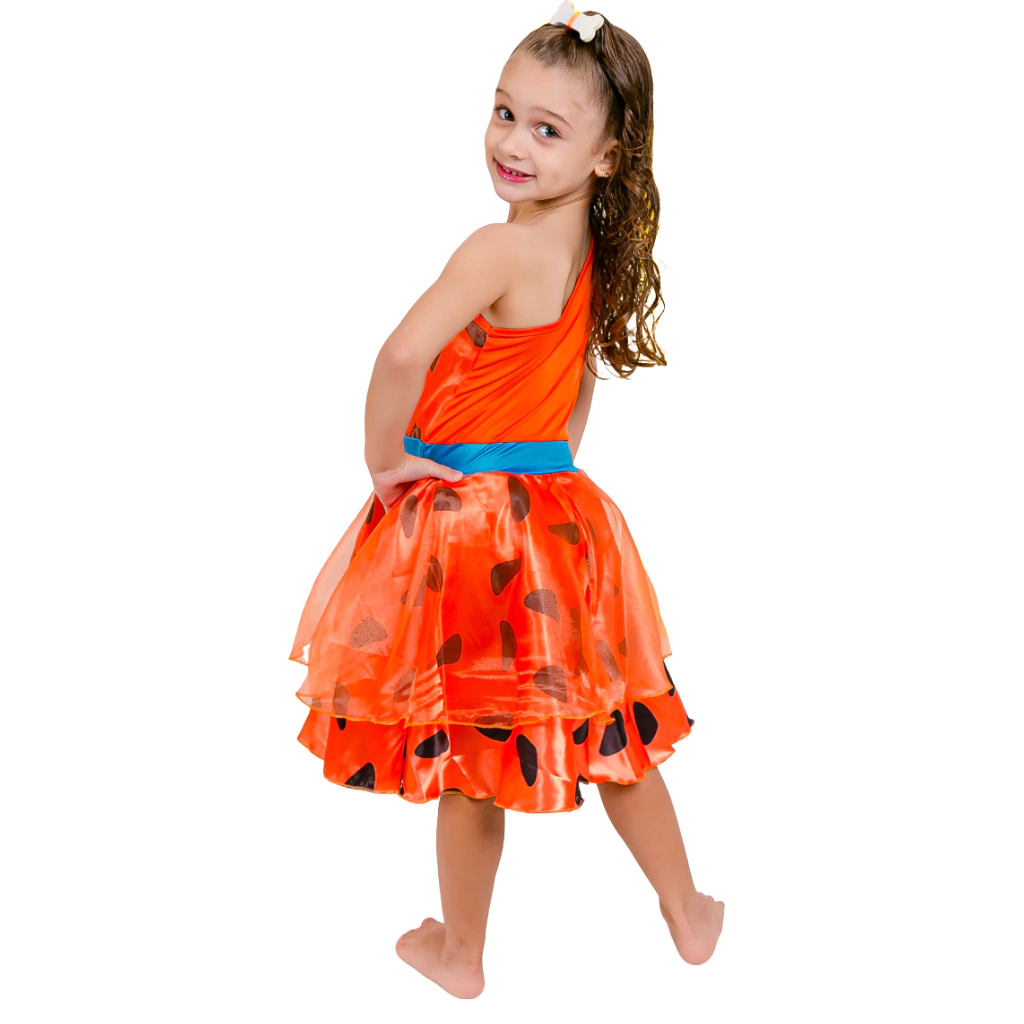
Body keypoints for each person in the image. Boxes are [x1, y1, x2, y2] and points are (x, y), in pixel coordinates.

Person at [287, 3, 724, 999]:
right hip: (559, 520)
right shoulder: (590, 252)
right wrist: (546, 476)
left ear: (607, 155)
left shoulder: (498, 246)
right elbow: (574, 391)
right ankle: (687, 912)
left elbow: (401, 353)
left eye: (546, 128)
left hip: (468, 531)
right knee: (613, 731)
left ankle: (462, 951)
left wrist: (384, 459)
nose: (511, 143)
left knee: (474, 748)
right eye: (502, 111)